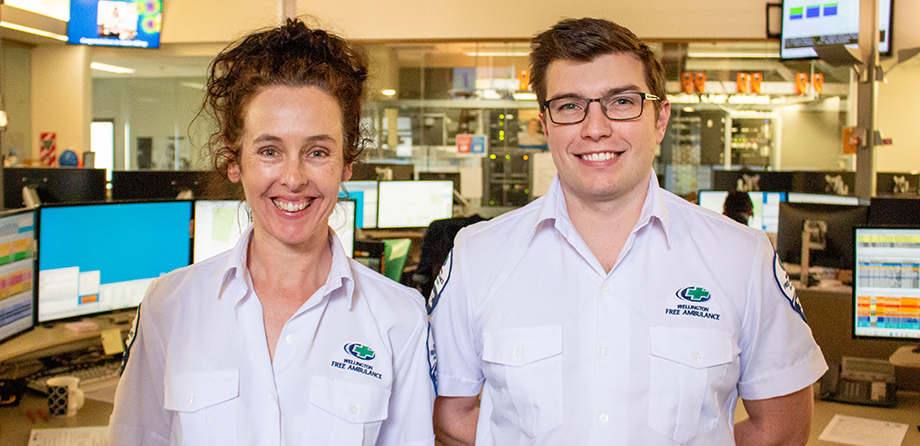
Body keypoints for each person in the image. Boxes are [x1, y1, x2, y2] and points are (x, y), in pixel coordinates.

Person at [430, 18, 826, 446]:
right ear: (545, 126)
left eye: (621, 102)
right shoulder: (477, 256)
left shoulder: (742, 256)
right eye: (568, 106)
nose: (595, 128)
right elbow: (452, 420)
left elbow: (781, 429)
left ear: (660, 120)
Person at [109, 19, 435, 446]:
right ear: (234, 161)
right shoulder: (170, 306)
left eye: (317, 151)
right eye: (269, 151)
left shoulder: (400, 318)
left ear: (347, 164)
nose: (294, 178)